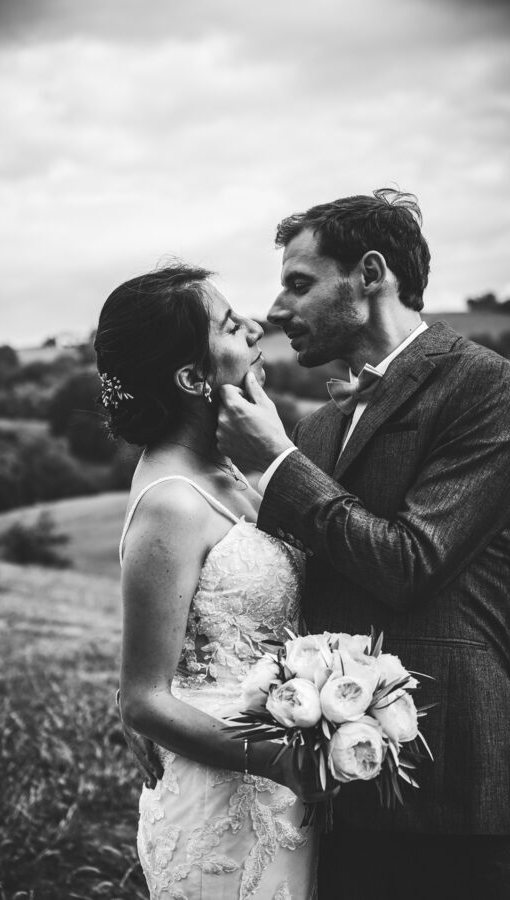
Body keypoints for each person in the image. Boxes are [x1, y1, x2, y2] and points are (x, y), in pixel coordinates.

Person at [216, 188, 510, 899]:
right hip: (333, 788)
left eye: (298, 283)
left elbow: (411, 562)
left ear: (370, 273)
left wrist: (277, 464)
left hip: (450, 791)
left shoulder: (486, 387)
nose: (278, 310)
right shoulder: (320, 426)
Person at [95, 265, 320, 899]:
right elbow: (142, 698)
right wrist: (289, 762)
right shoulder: (172, 500)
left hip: (283, 792)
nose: (255, 325)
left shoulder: (230, 466)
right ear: (193, 377)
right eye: (228, 323)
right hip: (223, 808)